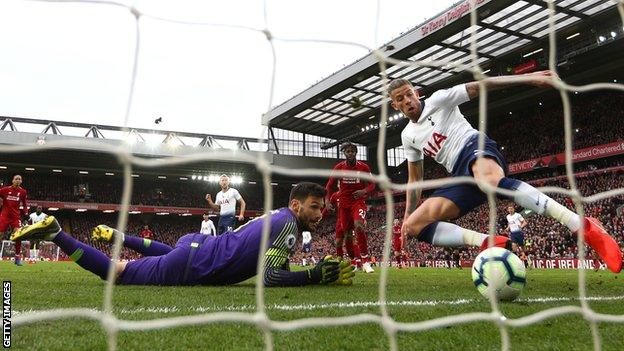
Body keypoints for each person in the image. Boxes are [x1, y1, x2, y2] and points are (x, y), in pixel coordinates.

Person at [388, 70, 622, 273]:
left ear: (417, 93)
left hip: (475, 148)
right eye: (401, 98)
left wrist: (528, 78)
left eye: (409, 93)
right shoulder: (408, 137)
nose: (408, 100)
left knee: (488, 181)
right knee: (415, 225)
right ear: (395, 105)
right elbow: (415, 180)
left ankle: (583, 226)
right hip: (460, 175)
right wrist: (407, 216)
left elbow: (482, 85)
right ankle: (489, 243)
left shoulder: (439, 100)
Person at [11, 182, 355, 286]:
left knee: (169, 254)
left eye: (321, 207)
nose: (320, 213)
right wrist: (313, 275)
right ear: (296, 206)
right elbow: (269, 278)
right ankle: (57, 233)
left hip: (197, 244)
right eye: (314, 206)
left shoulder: (279, 217)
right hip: (199, 260)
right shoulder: (288, 227)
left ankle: (121, 236)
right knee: (117, 274)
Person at [325, 142, 376, 273]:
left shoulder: (364, 167)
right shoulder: (339, 167)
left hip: (358, 202)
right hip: (343, 204)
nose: (350, 153)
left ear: (356, 152)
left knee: (359, 225)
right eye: (348, 151)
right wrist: (327, 201)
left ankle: (365, 261)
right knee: (347, 235)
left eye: (352, 151)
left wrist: (364, 191)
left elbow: (372, 185)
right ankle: (354, 262)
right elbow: (329, 186)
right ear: (344, 153)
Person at [0, 175, 28, 266]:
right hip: (4, 216)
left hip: (15, 217)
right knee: (0, 235)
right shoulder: (5, 190)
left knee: (18, 236)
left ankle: (17, 258)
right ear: (12, 180)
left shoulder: (23, 192)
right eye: (16, 179)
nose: (18, 180)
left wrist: (26, 214)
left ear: (21, 181)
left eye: (20, 179)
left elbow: (24, 204)